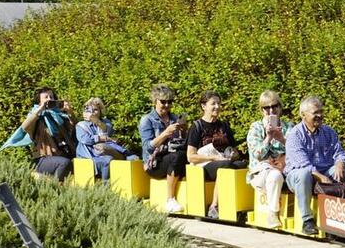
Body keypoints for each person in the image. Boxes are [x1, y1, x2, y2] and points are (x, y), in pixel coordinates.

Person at [284, 95, 345, 236]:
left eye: (321, 112)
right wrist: (321, 178)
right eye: (315, 113)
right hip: (299, 176)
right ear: (303, 115)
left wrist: (340, 164)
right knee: (304, 174)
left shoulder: (329, 132)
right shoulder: (295, 135)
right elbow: (303, 165)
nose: (319, 115)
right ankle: (307, 220)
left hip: (325, 171)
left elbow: (339, 152)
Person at [186, 91, 245, 219]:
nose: (217, 107)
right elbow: (190, 156)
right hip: (204, 164)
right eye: (213, 104)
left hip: (224, 160)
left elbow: (234, 150)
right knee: (226, 165)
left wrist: (232, 154)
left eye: (219, 103)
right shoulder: (196, 127)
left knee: (241, 164)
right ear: (203, 106)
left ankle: (237, 206)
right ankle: (214, 206)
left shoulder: (224, 126)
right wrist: (213, 158)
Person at [1, 86, 78, 182]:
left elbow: (75, 127)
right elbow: (25, 127)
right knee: (64, 162)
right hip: (43, 158)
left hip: (61, 154)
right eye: (46, 97)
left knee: (79, 163)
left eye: (51, 96)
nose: (50, 99)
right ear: (39, 101)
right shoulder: (36, 117)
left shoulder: (59, 115)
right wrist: (39, 110)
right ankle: (54, 187)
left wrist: (70, 112)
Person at [246, 90, 294, 229]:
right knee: (274, 175)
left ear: (280, 107)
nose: (271, 110)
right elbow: (258, 155)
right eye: (266, 107)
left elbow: (297, 152)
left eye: (274, 106)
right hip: (261, 172)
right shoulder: (256, 127)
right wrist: (268, 138)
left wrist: (282, 139)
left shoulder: (289, 127)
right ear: (262, 110)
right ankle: (273, 213)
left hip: (285, 168)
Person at [140, 85, 188, 213]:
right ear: (155, 101)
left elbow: (181, 143)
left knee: (186, 154)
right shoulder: (147, 120)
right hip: (154, 163)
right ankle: (170, 199)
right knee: (177, 157)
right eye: (163, 102)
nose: (167, 105)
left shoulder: (174, 118)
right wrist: (166, 133)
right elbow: (147, 147)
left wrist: (183, 132)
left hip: (172, 157)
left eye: (170, 102)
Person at [76, 97, 138, 182]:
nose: (92, 112)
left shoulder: (105, 122)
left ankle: (125, 159)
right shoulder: (81, 125)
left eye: (95, 110)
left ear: (100, 111)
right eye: (89, 110)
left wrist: (96, 121)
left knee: (132, 158)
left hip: (107, 150)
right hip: (89, 155)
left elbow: (108, 131)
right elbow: (85, 140)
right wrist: (100, 138)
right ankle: (106, 189)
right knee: (107, 158)